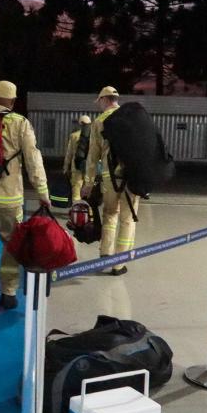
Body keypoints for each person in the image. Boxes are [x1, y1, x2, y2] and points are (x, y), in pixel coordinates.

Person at [0, 81, 51, 317]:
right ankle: (8, 294)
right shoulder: (19, 124)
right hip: (9, 199)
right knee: (12, 247)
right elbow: (33, 161)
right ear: (13, 101)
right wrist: (43, 193)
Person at [81, 86, 140, 276]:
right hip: (131, 177)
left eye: (99, 101)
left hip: (109, 178)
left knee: (109, 215)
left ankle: (105, 254)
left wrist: (88, 183)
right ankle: (119, 264)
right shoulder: (132, 118)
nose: (99, 105)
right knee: (127, 219)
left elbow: (92, 157)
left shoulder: (99, 122)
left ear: (105, 100)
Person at [63, 115, 92, 203]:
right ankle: (89, 212)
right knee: (89, 190)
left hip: (77, 166)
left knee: (76, 190)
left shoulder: (74, 136)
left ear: (80, 124)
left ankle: (76, 211)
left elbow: (69, 154)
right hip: (90, 167)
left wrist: (65, 167)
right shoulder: (94, 135)